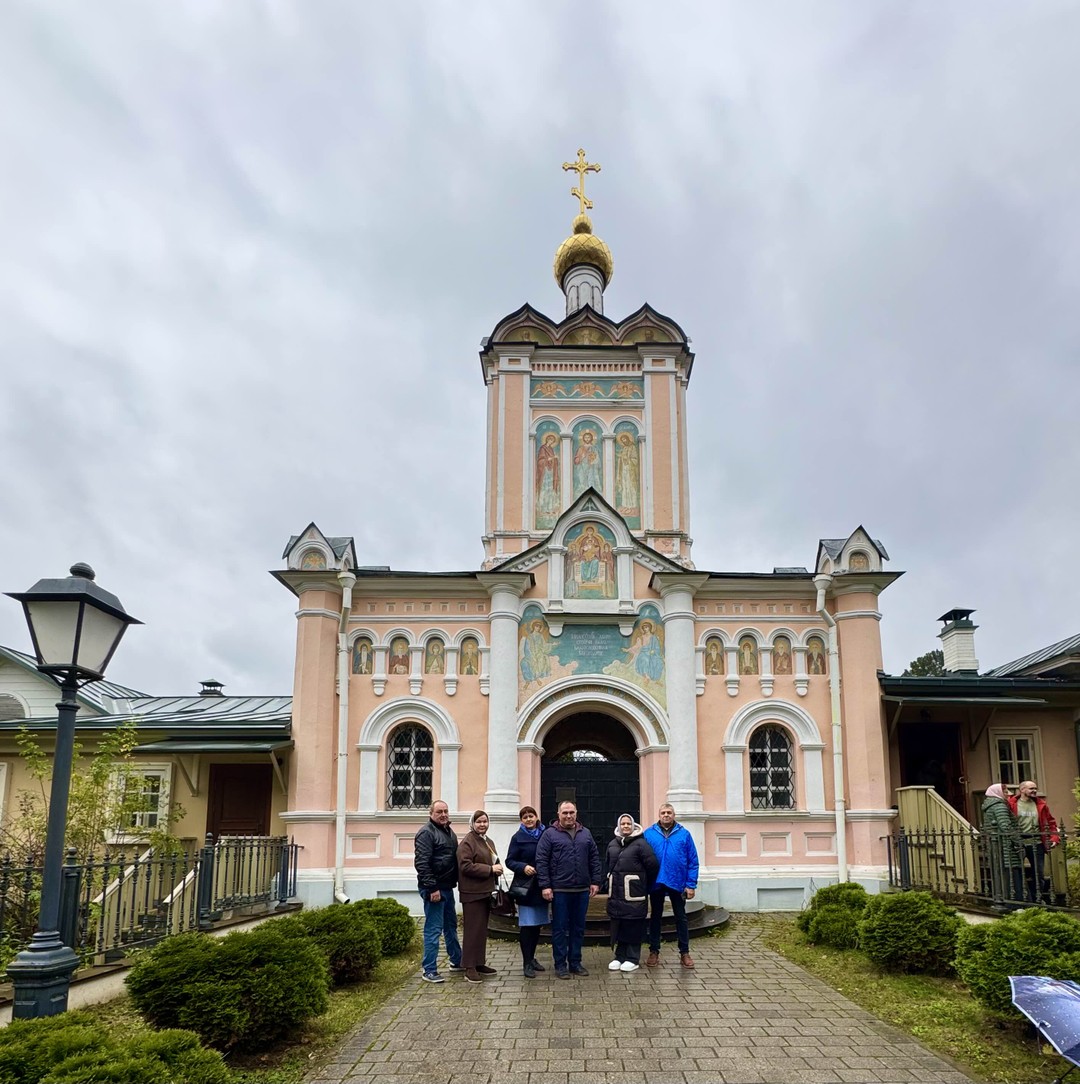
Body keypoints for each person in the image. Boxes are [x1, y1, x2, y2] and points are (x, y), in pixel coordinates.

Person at [535, 800, 602, 979]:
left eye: (571, 812)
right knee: (559, 929)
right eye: (565, 812)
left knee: (578, 928)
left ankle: (575, 963)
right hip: (559, 890)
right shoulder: (549, 835)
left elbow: (594, 858)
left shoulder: (585, 833)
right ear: (558, 814)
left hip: (581, 890)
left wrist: (596, 881)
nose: (568, 816)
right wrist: (545, 885)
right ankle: (560, 965)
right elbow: (541, 860)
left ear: (576, 813)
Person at [413, 799, 463, 983]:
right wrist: (432, 888)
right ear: (431, 814)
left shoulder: (449, 832)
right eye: (439, 812)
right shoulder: (426, 833)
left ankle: (457, 961)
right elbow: (422, 863)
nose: (443, 815)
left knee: (451, 926)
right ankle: (429, 969)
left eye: (446, 811)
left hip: (447, 887)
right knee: (433, 930)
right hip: (434, 889)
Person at [644, 803, 700, 968]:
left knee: (681, 918)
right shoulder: (649, 834)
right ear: (659, 815)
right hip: (657, 882)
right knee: (655, 917)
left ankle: (685, 952)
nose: (666, 815)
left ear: (674, 815)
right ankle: (654, 951)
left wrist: (691, 885)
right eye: (663, 812)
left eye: (669, 812)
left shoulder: (684, 834)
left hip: (677, 881)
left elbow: (693, 861)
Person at [605, 814, 659, 973]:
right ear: (619, 825)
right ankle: (619, 956)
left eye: (629, 823)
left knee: (633, 925)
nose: (626, 826)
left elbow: (653, 866)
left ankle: (633, 958)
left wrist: (641, 884)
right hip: (616, 894)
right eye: (623, 823)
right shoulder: (612, 844)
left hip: (634, 894)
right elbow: (608, 864)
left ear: (634, 826)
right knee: (619, 924)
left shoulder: (641, 844)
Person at [456, 810, 503, 983]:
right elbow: (465, 866)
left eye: (485, 821)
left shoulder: (487, 841)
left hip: (485, 891)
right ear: (472, 823)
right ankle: (469, 967)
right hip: (472, 893)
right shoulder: (468, 842)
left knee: (481, 930)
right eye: (479, 822)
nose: (482, 824)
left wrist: (497, 867)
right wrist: (490, 870)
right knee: (472, 931)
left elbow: (491, 860)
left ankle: (479, 962)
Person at [506, 805, 550, 978]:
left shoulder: (545, 834)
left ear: (536, 817)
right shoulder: (517, 838)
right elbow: (510, 860)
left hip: (541, 886)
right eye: (525, 817)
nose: (529, 819)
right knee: (527, 925)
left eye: (531, 816)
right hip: (526, 887)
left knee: (537, 925)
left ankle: (532, 958)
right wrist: (523, 867)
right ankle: (526, 962)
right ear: (521, 820)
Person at [1008, 780, 1060, 904]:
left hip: (1037, 843)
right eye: (1031, 788)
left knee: (1039, 874)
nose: (1034, 791)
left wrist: (1054, 838)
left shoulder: (1041, 804)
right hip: (1018, 842)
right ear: (1022, 790)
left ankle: (1036, 899)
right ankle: (1019, 899)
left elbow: (1051, 823)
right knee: (1015, 872)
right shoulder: (1011, 804)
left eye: (1035, 788)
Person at [982, 783, 1024, 907]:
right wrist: (1017, 843)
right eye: (1006, 792)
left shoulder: (989, 805)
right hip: (1005, 845)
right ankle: (1014, 903)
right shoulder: (999, 806)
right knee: (1011, 875)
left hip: (996, 843)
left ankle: (1001, 900)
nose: (1009, 794)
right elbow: (1006, 826)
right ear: (998, 793)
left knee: (1000, 873)